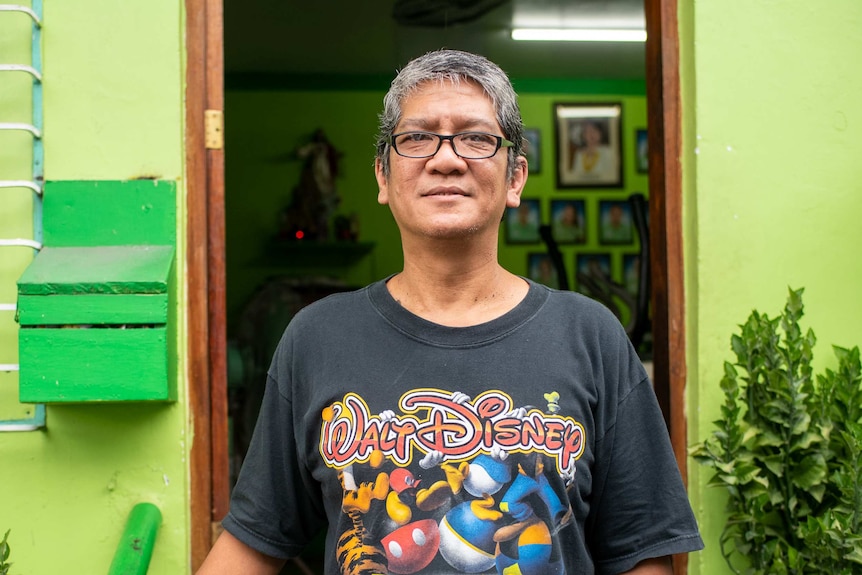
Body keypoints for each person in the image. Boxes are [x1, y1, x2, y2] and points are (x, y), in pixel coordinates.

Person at [197, 49, 703, 575]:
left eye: (477, 138)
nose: (445, 159)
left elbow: (644, 556)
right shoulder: (318, 337)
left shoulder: (590, 335)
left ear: (515, 178)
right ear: (382, 177)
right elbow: (254, 543)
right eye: (417, 138)